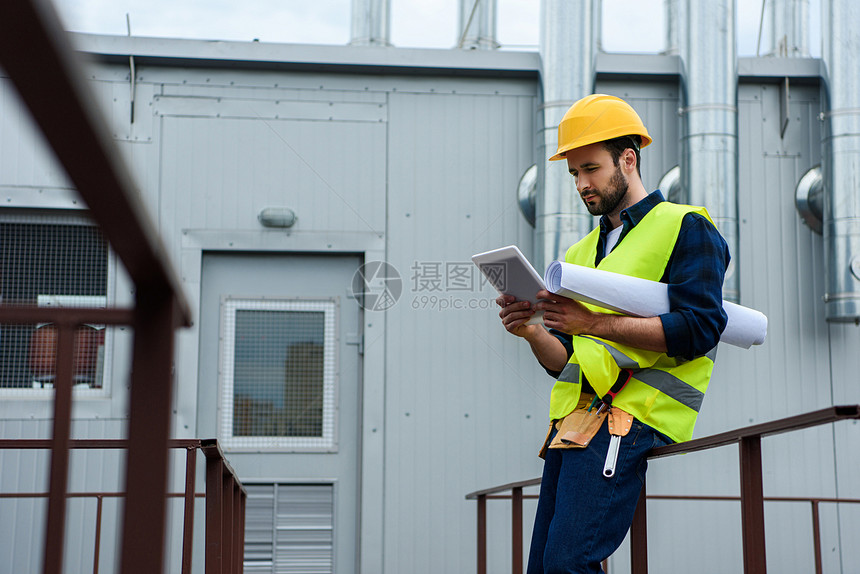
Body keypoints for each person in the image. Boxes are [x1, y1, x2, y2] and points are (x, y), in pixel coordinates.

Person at [497, 94, 730, 574]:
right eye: (574, 174)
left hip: (631, 418)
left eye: (591, 169)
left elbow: (702, 328)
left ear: (629, 158)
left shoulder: (685, 227)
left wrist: (591, 322)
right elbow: (570, 359)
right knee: (544, 567)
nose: (582, 184)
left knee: (568, 563)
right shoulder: (581, 253)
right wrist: (531, 330)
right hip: (575, 424)